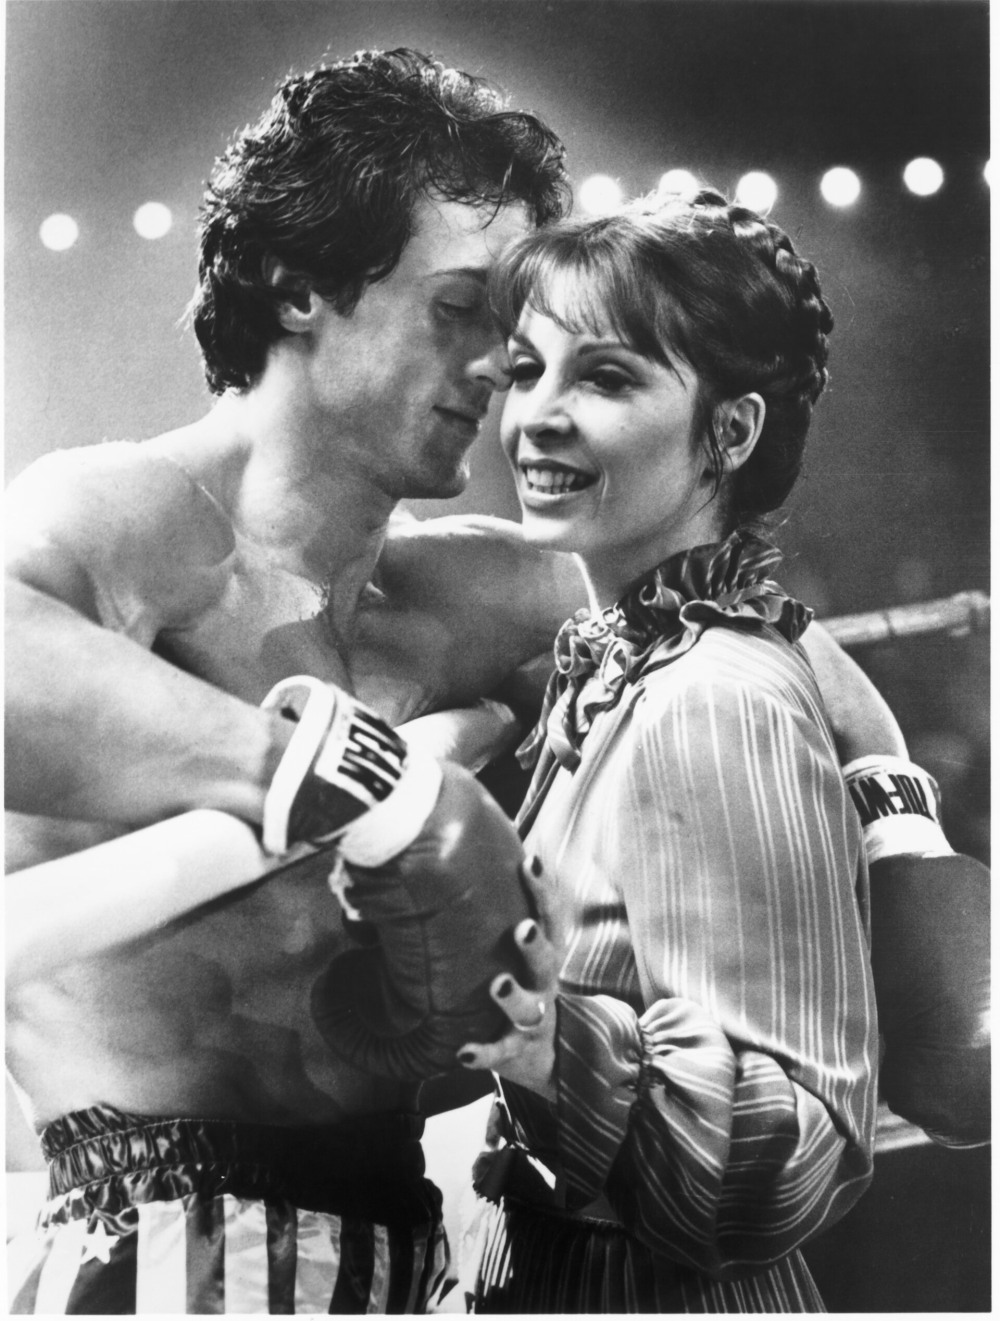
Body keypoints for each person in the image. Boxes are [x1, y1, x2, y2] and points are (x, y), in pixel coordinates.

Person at [4, 47, 579, 1315]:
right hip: (153, 1254)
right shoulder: (126, 518)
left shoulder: (492, 598)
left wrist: (883, 795)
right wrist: (346, 778)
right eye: (460, 308)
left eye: (516, 323)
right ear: (300, 284)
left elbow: (728, 668)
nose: (501, 362)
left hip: (416, 1251)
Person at [453, 190, 881, 1313]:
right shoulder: (630, 668)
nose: (536, 417)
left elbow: (782, 1161)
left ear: (729, 434)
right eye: (526, 369)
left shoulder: (712, 696)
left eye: (603, 378)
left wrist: (540, 1035)